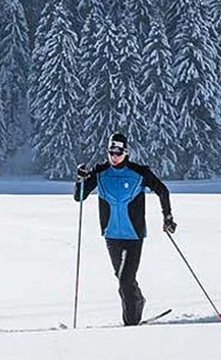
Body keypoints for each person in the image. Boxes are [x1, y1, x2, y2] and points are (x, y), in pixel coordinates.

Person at [74, 132, 177, 326]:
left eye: (118, 152)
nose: (114, 156)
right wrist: (80, 179)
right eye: (111, 152)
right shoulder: (99, 172)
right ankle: (138, 301)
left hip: (133, 235)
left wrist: (168, 217)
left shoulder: (139, 172)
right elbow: (79, 197)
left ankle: (130, 324)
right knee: (123, 279)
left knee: (125, 280)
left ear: (126, 152)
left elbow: (162, 190)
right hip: (111, 235)